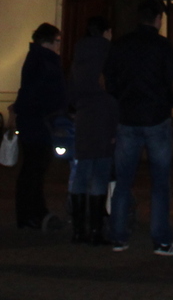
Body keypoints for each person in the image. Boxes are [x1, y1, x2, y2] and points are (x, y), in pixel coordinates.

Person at [102, 0, 173, 256]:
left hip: (128, 118)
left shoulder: (121, 45)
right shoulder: (162, 45)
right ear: (159, 18)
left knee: (123, 182)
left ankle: (118, 237)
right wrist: (171, 102)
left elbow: (106, 79)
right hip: (156, 118)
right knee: (160, 183)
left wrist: (120, 97)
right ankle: (160, 240)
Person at [11, 22, 68, 230]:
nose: (59, 46)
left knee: (33, 169)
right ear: (49, 41)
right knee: (35, 169)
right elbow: (41, 92)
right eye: (58, 41)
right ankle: (32, 214)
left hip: (34, 121)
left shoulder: (36, 59)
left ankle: (33, 213)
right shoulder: (44, 61)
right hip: (39, 123)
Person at [67, 15, 117, 244]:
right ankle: (96, 228)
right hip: (105, 117)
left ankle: (79, 229)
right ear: (106, 31)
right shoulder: (109, 53)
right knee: (100, 174)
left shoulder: (79, 54)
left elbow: (72, 87)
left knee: (82, 172)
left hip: (85, 116)